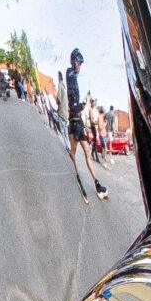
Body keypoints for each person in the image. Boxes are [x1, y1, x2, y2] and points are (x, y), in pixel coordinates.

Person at [65, 48, 107, 197]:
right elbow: (73, 101)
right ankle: (78, 174)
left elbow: (76, 104)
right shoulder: (70, 74)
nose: (80, 66)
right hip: (75, 123)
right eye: (79, 63)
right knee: (75, 152)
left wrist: (84, 102)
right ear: (74, 62)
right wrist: (82, 104)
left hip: (77, 122)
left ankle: (95, 182)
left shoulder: (74, 78)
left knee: (84, 153)